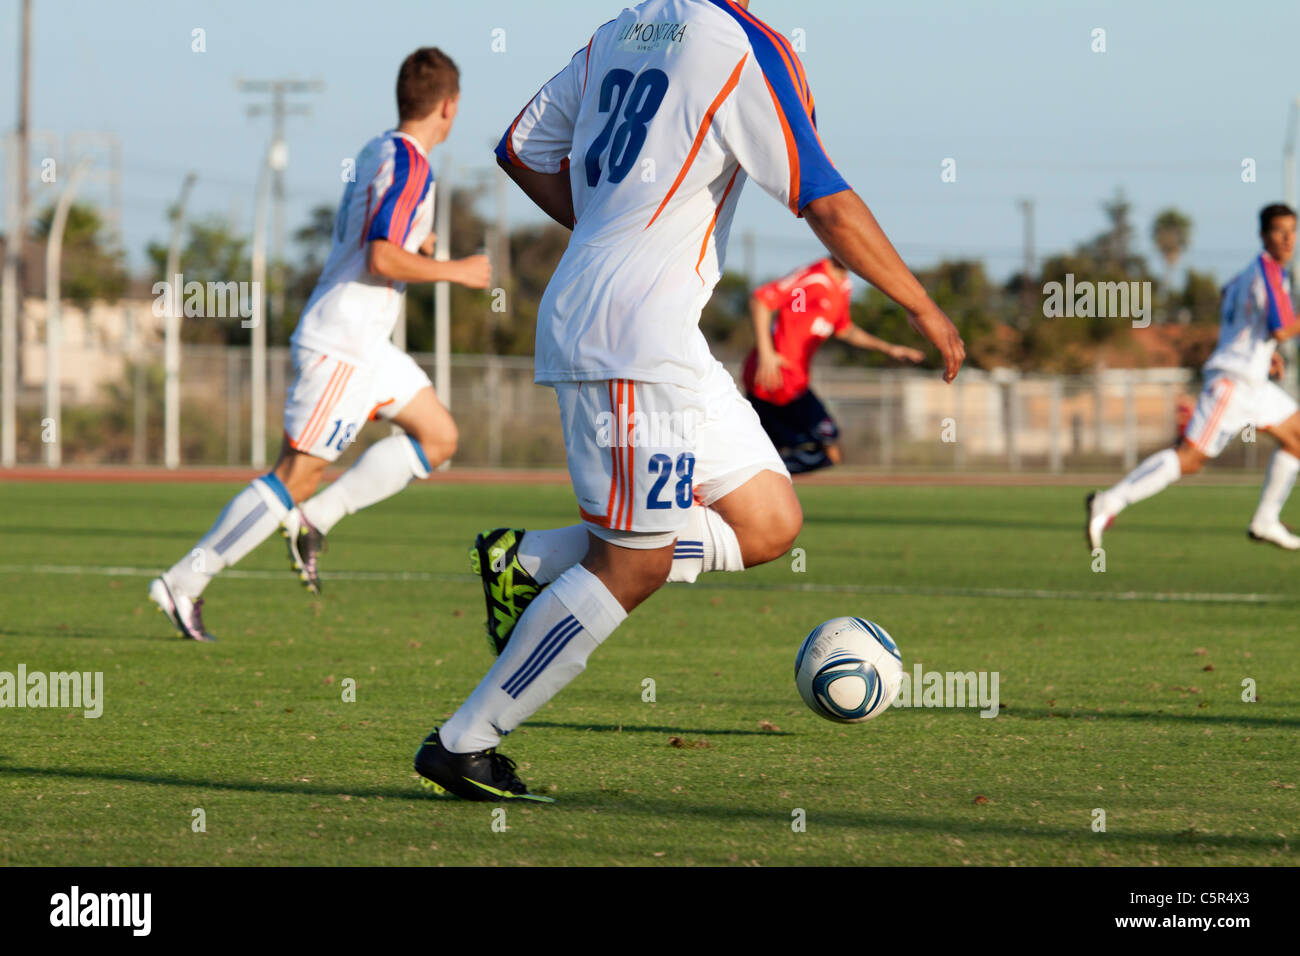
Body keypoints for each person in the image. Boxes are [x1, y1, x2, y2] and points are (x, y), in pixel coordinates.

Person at [414, 0, 964, 802]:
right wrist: (921, 305)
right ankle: (466, 741)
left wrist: (607, 231)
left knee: (771, 519)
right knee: (632, 563)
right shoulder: (745, 43)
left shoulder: (617, 32)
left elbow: (519, 148)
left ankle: (528, 560)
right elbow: (826, 201)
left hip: (655, 330)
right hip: (633, 333)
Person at [149, 48, 490, 641]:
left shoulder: (377, 150)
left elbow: (380, 238)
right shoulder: (413, 166)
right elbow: (382, 255)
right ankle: (185, 581)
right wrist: (458, 270)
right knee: (293, 475)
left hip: (366, 343)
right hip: (344, 342)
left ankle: (318, 516)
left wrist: (423, 245)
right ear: (449, 105)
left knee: (439, 436)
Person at [1087, 203, 1300, 551]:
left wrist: (1262, 348)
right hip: (1234, 383)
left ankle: (1266, 520)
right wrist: (1265, 343)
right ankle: (1109, 501)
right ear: (1263, 235)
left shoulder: (1249, 272)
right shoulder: (1271, 271)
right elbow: (1284, 326)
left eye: (1293, 230)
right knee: (1189, 458)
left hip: (1252, 381)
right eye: (1280, 230)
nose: (1288, 238)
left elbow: (1232, 301)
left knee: (1297, 438)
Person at [743, 256, 925, 473]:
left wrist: (888, 348)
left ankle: (759, 481)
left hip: (795, 382)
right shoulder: (814, 279)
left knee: (777, 453)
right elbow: (761, 300)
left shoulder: (844, 285)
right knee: (824, 446)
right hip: (775, 378)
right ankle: (757, 480)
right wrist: (767, 354)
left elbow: (845, 329)